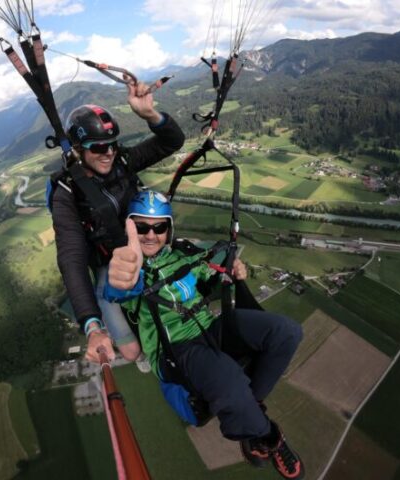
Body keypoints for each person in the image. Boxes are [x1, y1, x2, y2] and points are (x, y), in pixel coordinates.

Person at [104, 190, 305, 480]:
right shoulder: (131, 272)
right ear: (130, 228)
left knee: (286, 332)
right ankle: (267, 438)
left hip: (209, 327)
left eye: (159, 227)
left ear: (168, 229)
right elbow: (118, 287)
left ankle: (250, 409)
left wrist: (232, 271)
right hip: (176, 349)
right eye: (141, 227)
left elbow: (209, 275)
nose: (150, 234)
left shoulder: (181, 255)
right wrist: (124, 269)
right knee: (230, 382)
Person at [48, 80, 185, 370]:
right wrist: (92, 324)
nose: (108, 152)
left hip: (148, 245)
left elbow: (171, 141)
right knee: (131, 352)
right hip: (109, 267)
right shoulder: (67, 193)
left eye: (111, 144)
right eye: (98, 146)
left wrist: (150, 115)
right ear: (77, 150)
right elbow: (72, 258)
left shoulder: (122, 161)